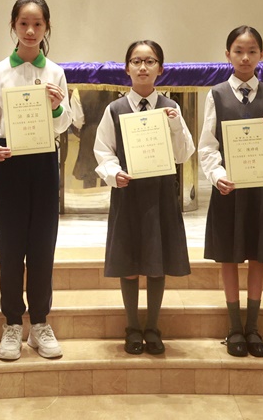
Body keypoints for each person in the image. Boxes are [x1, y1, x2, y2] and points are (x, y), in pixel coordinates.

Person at [0, 0, 73, 361]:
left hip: (44, 162)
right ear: (13, 26)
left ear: (47, 28)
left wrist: (56, 106)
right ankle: (13, 323)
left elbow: (64, 124)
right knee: (11, 247)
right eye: (23, 24)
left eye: (37, 24)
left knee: (43, 245)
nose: (30, 31)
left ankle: (40, 323)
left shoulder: (56, 72)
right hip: (10, 164)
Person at [93, 40, 195, 355]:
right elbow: (103, 150)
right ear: (127, 68)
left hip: (160, 195)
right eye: (136, 61)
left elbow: (183, 153)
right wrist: (114, 173)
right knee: (128, 260)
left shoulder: (170, 108)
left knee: (156, 261)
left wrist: (175, 124)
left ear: (160, 69)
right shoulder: (115, 109)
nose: (142, 67)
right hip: (128, 194)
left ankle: (152, 327)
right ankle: (132, 327)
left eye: (150, 61)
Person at [198, 26, 263, 357]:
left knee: (258, 253)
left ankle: (253, 327)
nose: (245, 57)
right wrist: (217, 175)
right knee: (229, 254)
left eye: (252, 51)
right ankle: (234, 327)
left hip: (261, 188)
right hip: (229, 188)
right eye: (238, 51)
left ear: (262, 55)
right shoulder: (217, 95)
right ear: (228, 55)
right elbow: (207, 145)